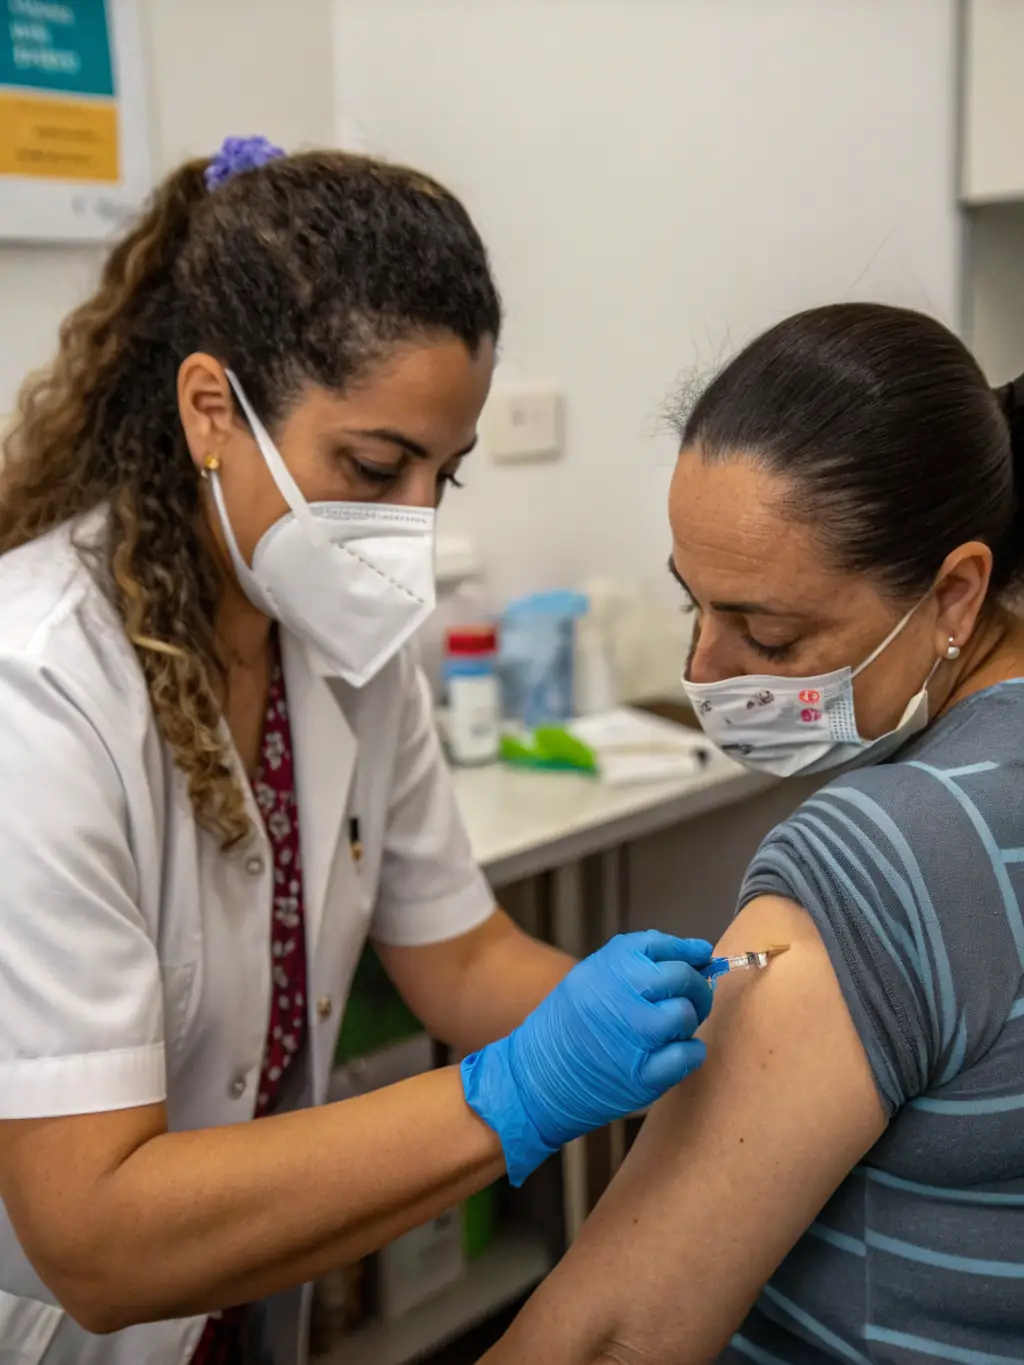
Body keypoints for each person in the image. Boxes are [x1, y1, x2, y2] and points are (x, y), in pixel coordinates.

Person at [0, 136, 714, 1365]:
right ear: (210, 411)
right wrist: (519, 1091)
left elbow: (459, 954)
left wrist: (689, 1049)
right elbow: (94, 1234)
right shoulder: (39, 688)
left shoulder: (343, 642)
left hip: (233, 1308)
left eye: (446, 474)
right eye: (376, 468)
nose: (413, 526)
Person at [481, 302, 1024, 1365]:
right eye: (694, 606)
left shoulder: (890, 850)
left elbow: (607, 1339)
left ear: (954, 593)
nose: (702, 674)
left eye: (766, 634)